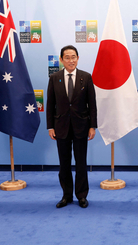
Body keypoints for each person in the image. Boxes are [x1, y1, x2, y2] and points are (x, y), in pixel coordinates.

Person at [47, 45, 97, 209]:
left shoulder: (86, 77)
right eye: (67, 57)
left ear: (78, 58)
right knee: (64, 164)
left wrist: (92, 126)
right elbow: (50, 105)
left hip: (81, 127)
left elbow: (92, 105)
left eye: (73, 57)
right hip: (60, 127)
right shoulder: (54, 78)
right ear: (61, 60)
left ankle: (82, 195)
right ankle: (66, 195)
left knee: (81, 163)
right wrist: (50, 126)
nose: (71, 60)